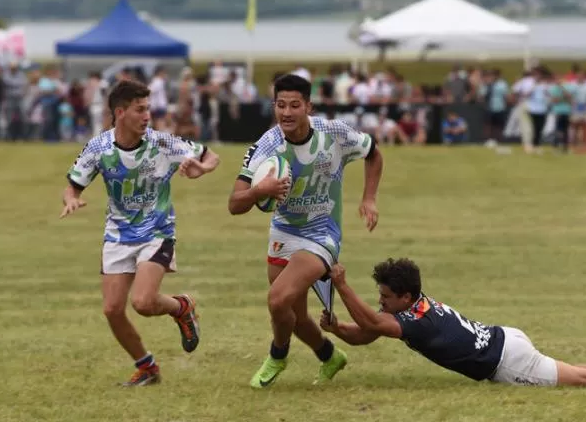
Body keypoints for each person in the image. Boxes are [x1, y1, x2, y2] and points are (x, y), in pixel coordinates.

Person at [320, 258, 586, 387]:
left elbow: (370, 321)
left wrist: (342, 285)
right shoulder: (412, 309)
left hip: (508, 361)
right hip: (506, 339)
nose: (381, 302)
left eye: (386, 297)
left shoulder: (412, 323)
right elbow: (365, 333)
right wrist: (338, 329)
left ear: (404, 297)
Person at [61, 79, 220, 386]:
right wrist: (71, 199)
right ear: (120, 112)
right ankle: (147, 368)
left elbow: (210, 155)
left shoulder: (163, 143)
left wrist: (204, 168)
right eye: (140, 110)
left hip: (157, 232)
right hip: (118, 235)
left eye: (148, 108)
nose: (147, 115)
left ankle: (181, 307)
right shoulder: (99, 148)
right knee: (111, 310)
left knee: (144, 303)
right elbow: (72, 185)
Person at [228, 74, 383, 389]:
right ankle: (329, 356)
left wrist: (369, 197)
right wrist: (262, 190)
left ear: (308, 106)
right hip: (283, 232)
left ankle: (277, 354)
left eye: (294, 105)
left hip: (322, 234)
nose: (286, 112)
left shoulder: (334, 134)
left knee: (276, 300)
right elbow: (234, 203)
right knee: (293, 316)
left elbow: (374, 153)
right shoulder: (266, 145)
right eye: (280, 105)